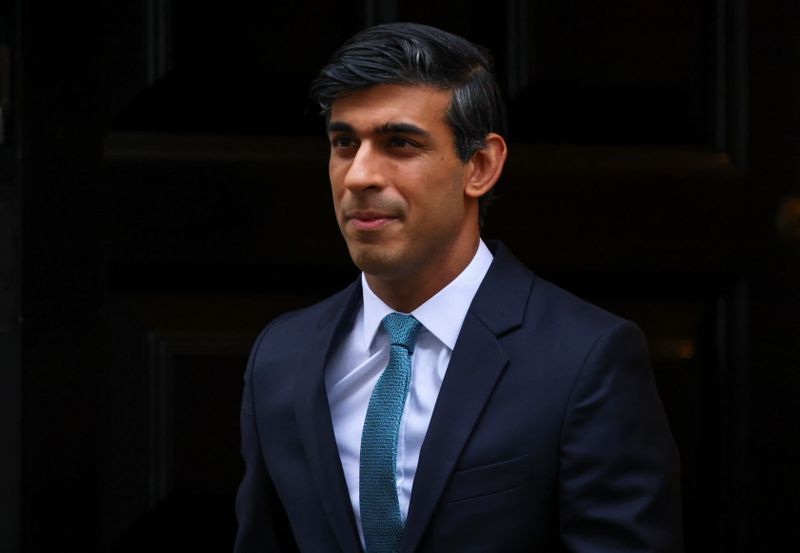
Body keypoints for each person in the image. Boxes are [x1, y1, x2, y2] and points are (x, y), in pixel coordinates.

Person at [235, 22, 683, 553]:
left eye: (399, 143)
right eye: (344, 143)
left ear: (481, 166)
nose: (358, 176)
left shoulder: (585, 358)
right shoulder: (281, 357)